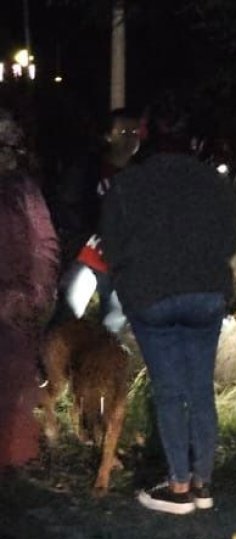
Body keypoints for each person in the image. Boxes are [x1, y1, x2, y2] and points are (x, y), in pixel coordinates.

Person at [100, 95, 236, 515]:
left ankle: (178, 486)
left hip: (152, 297)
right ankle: (204, 482)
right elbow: (231, 241)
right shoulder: (215, 184)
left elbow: (111, 246)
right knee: (200, 388)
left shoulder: (128, 184)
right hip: (206, 295)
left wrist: (128, 281)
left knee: (168, 390)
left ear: (146, 134)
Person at [0, 109, 59, 468]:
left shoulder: (22, 191)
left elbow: (43, 246)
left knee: (14, 384)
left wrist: (35, 294)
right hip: (18, 302)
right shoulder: (25, 191)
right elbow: (46, 245)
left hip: (14, 304)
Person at [53, 108, 141, 333]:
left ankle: (99, 366)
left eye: (135, 131)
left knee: (113, 328)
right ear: (108, 135)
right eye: (124, 131)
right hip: (88, 256)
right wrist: (88, 236)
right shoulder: (88, 170)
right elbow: (68, 207)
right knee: (67, 318)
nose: (131, 137)